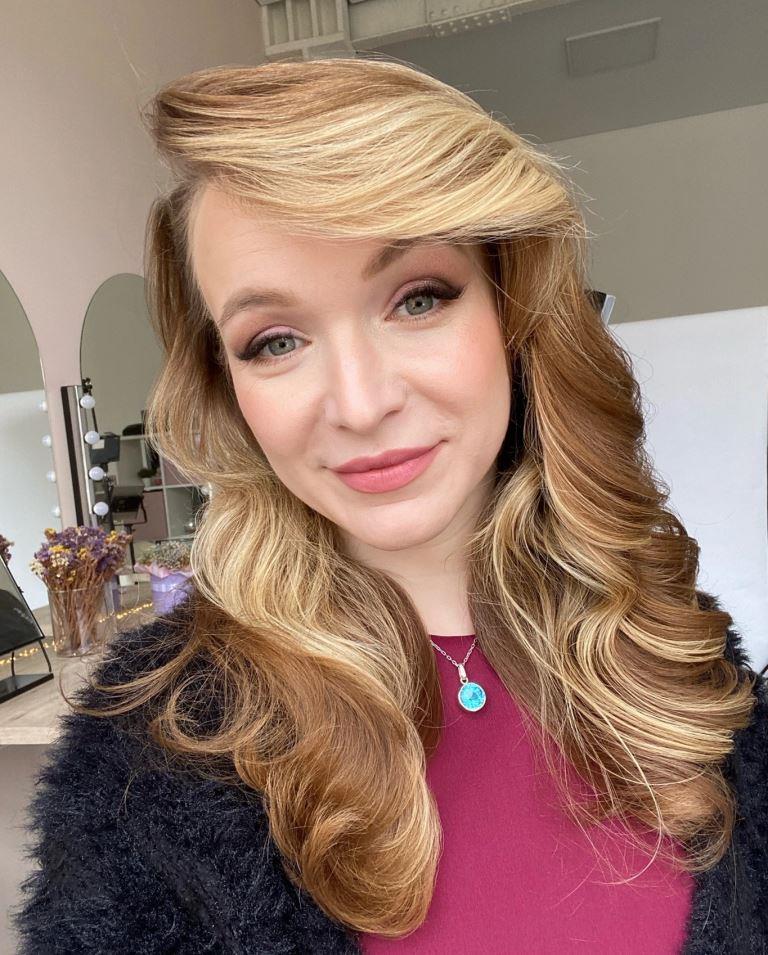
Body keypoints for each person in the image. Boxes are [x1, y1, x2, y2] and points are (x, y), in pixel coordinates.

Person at [11, 57, 767, 954]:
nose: (362, 403)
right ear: (227, 389)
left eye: (418, 298)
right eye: (275, 340)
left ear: (511, 309)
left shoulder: (666, 644)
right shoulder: (148, 756)